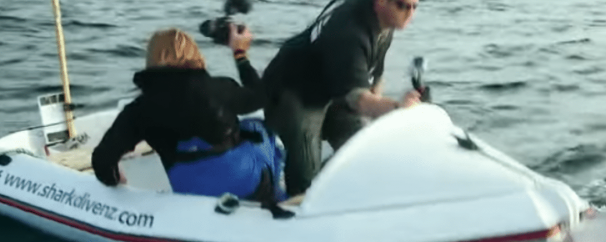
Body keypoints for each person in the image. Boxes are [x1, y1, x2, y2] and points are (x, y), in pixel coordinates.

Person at [91, 26, 287, 202]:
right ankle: (275, 196)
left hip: (189, 190)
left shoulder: (138, 109)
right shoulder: (218, 87)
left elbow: (102, 160)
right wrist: (240, 53)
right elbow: (261, 96)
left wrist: (115, 178)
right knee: (257, 127)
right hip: (242, 180)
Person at [261, 0, 422, 197]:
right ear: (380, 2)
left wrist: (380, 119)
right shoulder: (351, 31)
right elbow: (360, 100)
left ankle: (331, 182)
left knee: (366, 151)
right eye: (403, 6)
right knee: (306, 187)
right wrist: (398, 108)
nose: (409, 14)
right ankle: (301, 191)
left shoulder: (384, 22)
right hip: (295, 91)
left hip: (334, 89)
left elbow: (374, 79)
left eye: (415, 6)